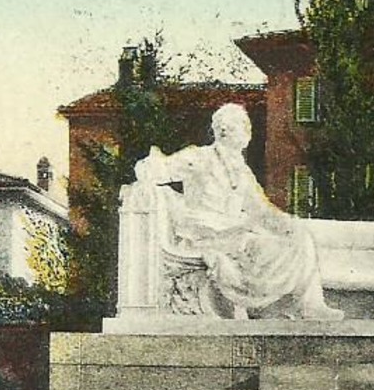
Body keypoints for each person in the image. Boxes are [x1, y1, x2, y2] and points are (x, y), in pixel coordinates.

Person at [129, 103, 343, 320]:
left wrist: (288, 223)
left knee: (300, 237)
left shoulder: (242, 171)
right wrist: (149, 170)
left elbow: (260, 209)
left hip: (233, 234)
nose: (247, 132)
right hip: (207, 235)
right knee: (264, 247)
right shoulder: (200, 157)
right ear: (222, 130)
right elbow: (158, 170)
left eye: (245, 126)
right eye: (241, 126)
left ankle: (308, 304)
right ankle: (269, 306)